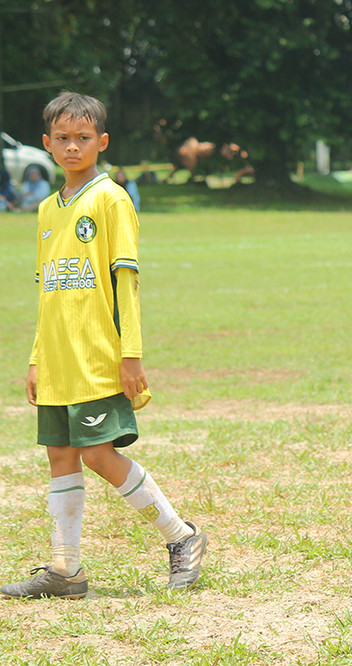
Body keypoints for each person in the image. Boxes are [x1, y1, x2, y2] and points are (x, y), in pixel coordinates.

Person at [0, 92, 207, 600]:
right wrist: (36, 359)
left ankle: (181, 535)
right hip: (57, 358)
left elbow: (126, 281)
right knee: (60, 455)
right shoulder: (46, 209)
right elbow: (48, 291)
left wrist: (130, 353)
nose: (73, 146)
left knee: (97, 453)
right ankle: (65, 569)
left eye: (83, 137)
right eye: (63, 138)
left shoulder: (111, 199)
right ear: (47, 144)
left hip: (98, 357)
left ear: (102, 141)